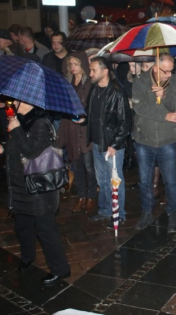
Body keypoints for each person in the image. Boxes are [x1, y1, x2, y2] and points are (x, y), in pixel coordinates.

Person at [3, 101, 71, 284]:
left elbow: (31, 151)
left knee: (45, 229)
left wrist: (16, 128)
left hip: (39, 188)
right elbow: (17, 149)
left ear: (28, 102)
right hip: (21, 185)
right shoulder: (20, 119)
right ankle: (27, 258)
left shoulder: (41, 123)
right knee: (23, 225)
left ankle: (60, 269)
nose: (13, 103)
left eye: (16, 100)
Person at [132, 54, 176, 232]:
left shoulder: (175, 81)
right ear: (155, 68)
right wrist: (164, 115)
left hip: (166, 140)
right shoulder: (140, 81)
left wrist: (165, 95)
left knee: (171, 181)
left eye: (171, 70)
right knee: (144, 181)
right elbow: (139, 107)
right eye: (166, 71)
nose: (169, 74)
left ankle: (173, 214)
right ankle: (146, 212)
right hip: (143, 140)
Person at [85, 56, 132, 228]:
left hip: (112, 145)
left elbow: (125, 122)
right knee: (102, 180)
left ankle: (119, 214)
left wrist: (115, 144)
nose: (90, 73)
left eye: (93, 70)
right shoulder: (94, 90)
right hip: (97, 143)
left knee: (114, 180)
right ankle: (105, 210)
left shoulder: (117, 93)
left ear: (105, 71)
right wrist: (82, 120)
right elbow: (91, 114)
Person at [56, 52, 97, 213]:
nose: (73, 67)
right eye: (71, 64)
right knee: (76, 164)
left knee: (89, 166)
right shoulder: (67, 83)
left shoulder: (90, 83)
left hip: (85, 129)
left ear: (83, 66)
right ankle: (81, 196)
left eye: (76, 64)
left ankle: (91, 196)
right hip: (71, 127)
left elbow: (93, 107)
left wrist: (84, 115)